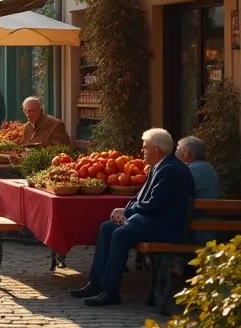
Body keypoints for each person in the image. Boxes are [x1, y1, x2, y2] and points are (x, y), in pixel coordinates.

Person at [71, 128, 195, 307]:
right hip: (154, 221)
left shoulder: (170, 169)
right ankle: (95, 283)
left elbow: (154, 204)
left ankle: (110, 292)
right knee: (108, 227)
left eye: (145, 147)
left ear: (156, 150)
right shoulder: (159, 166)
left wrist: (128, 213)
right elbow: (139, 198)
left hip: (166, 227)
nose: (142, 150)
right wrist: (125, 210)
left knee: (121, 234)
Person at [177, 136, 221, 247]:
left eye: (178, 149)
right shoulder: (210, 169)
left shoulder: (187, 171)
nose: (175, 153)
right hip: (211, 231)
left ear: (187, 154)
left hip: (194, 233)